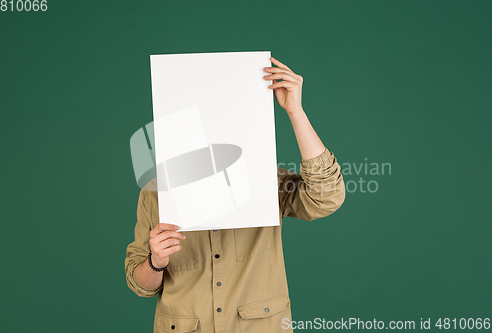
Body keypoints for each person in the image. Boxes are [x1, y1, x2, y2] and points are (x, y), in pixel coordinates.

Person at [125, 57, 346, 333]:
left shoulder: (265, 179)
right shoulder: (156, 192)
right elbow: (139, 284)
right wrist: (155, 262)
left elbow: (326, 197)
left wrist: (296, 112)